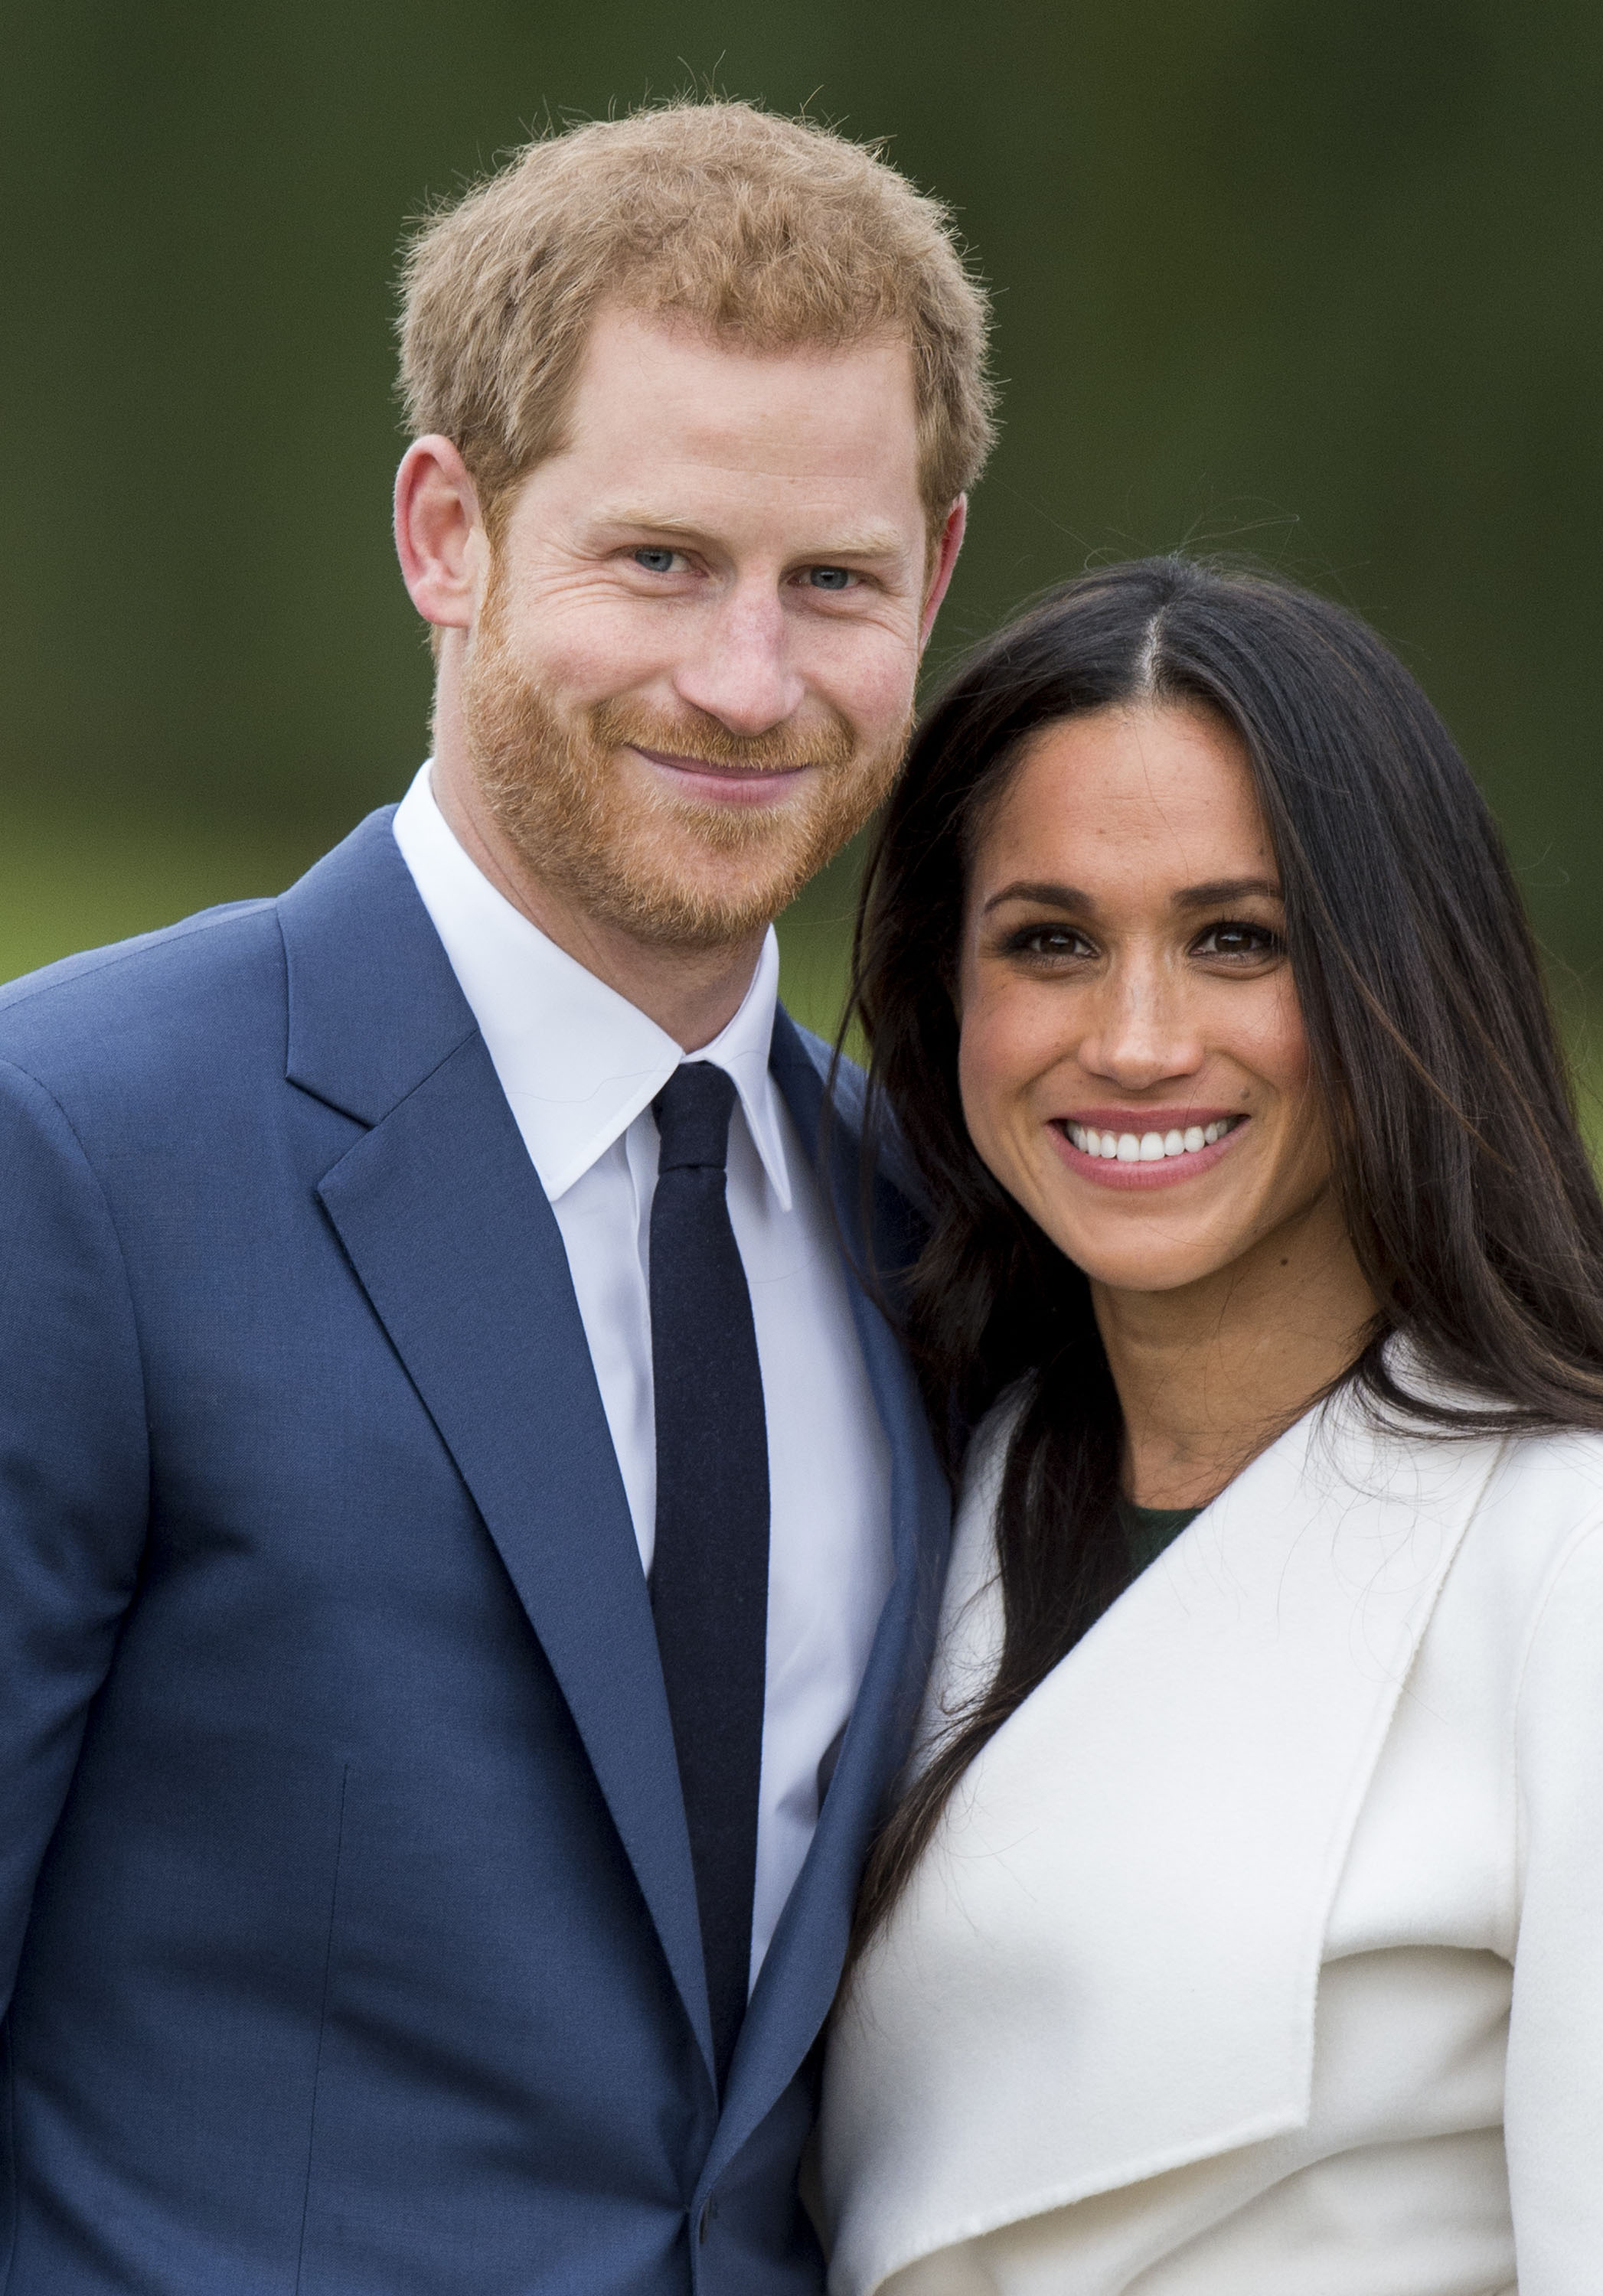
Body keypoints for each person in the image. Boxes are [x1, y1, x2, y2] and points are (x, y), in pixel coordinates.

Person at [0, 102, 991, 2294]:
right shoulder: (68, 1146)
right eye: (656, 562)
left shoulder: (933, 1228)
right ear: (447, 533)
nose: (747, 683)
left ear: (927, 580)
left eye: (828, 582)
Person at [816, 558, 1603, 2293]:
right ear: (951, 1005)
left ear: (1404, 984)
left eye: (1238, 940)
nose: (1137, 1037)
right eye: (1051, 942)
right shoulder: (929, 1479)